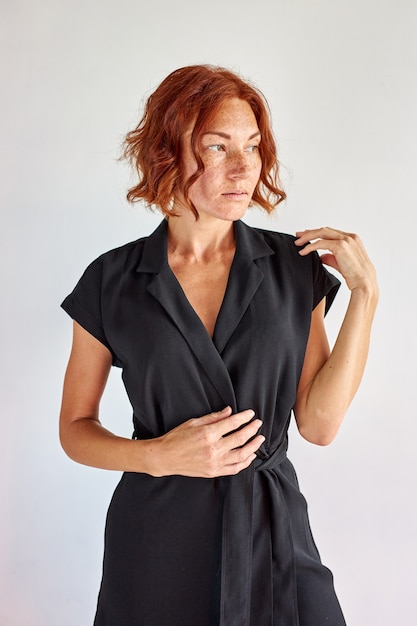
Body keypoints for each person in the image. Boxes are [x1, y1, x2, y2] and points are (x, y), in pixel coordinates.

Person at [59, 64, 378, 626]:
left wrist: (365, 297)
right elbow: (75, 430)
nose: (244, 168)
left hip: (273, 532)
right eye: (217, 147)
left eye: (253, 147)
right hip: (156, 540)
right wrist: (158, 455)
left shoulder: (291, 269)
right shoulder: (111, 281)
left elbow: (319, 426)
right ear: (168, 152)